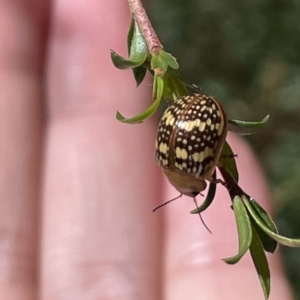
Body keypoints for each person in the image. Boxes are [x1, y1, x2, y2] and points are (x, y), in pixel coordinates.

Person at [0, 0, 292, 299]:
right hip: (188, 112)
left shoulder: (193, 168)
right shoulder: (168, 160)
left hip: (196, 113)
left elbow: (211, 153)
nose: (199, 192)